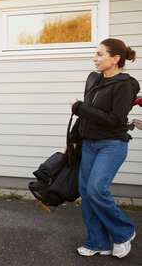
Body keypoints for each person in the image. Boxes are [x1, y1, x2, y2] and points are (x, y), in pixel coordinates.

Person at [71, 38, 138, 258]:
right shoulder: (94, 79)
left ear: (115, 58)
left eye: (100, 54)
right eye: (95, 53)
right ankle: (97, 242)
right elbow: (86, 111)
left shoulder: (125, 85)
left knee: (96, 190)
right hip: (89, 143)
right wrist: (73, 138)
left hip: (111, 145)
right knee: (87, 194)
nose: (95, 58)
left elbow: (113, 119)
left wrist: (80, 109)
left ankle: (124, 232)